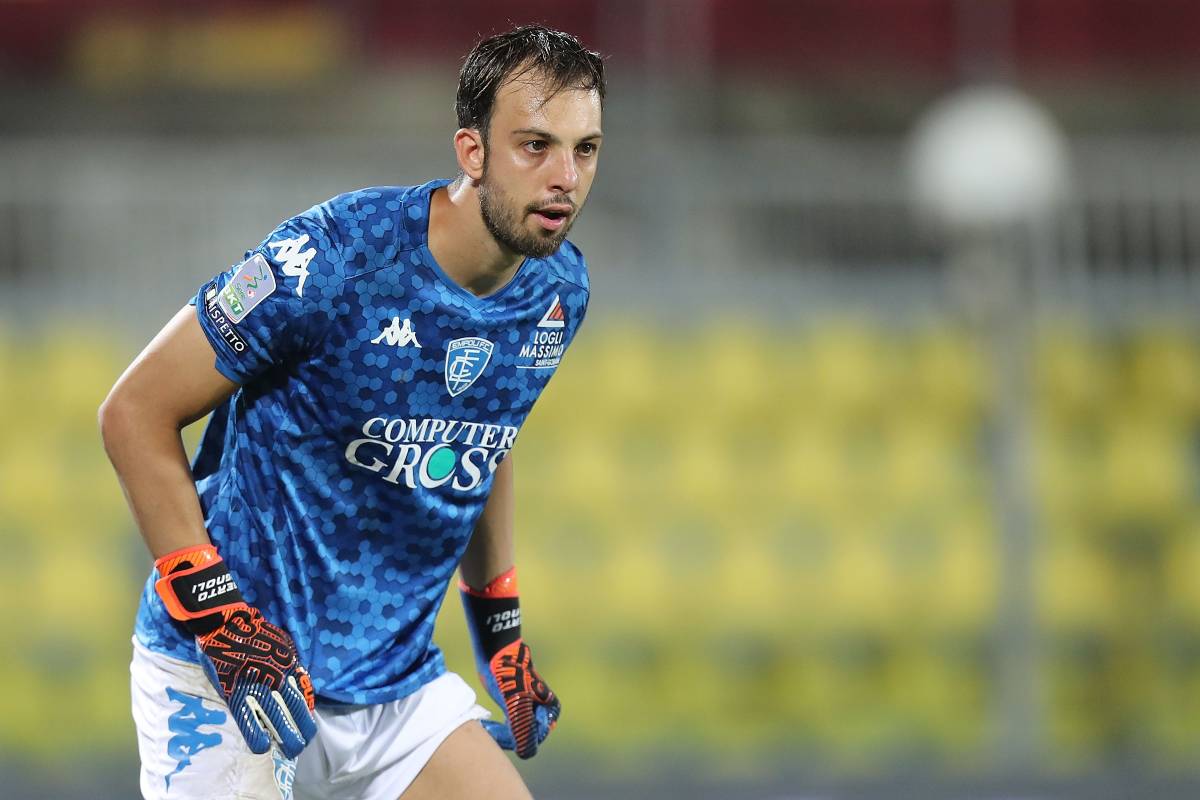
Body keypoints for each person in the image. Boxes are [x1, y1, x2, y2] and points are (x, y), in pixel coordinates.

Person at [99, 24, 605, 800]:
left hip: (394, 689)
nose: (565, 176)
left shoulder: (557, 293)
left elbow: (487, 438)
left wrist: (500, 635)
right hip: (233, 678)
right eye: (535, 146)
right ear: (472, 153)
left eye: (585, 149)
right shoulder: (335, 258)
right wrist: (219, 619)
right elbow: (132, 413)